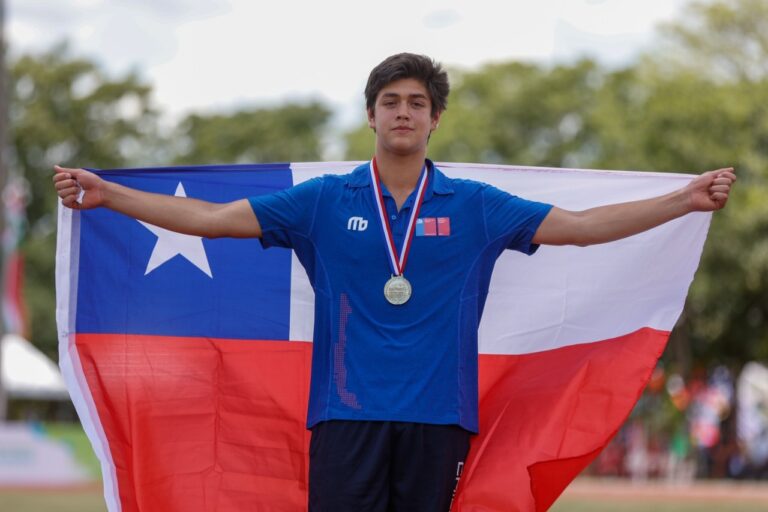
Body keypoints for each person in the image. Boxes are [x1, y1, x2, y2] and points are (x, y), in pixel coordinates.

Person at [53, 53, 736, 512]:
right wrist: (108, 195)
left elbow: (583, 229)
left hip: (439, 420)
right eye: (390, 101)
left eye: (416, 102)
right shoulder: (322, 201)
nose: (403, 112)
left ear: (436, 118)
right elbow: (206, 217)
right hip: (345, 418)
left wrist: (683, 200)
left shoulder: (477, 205)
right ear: (371, 115)